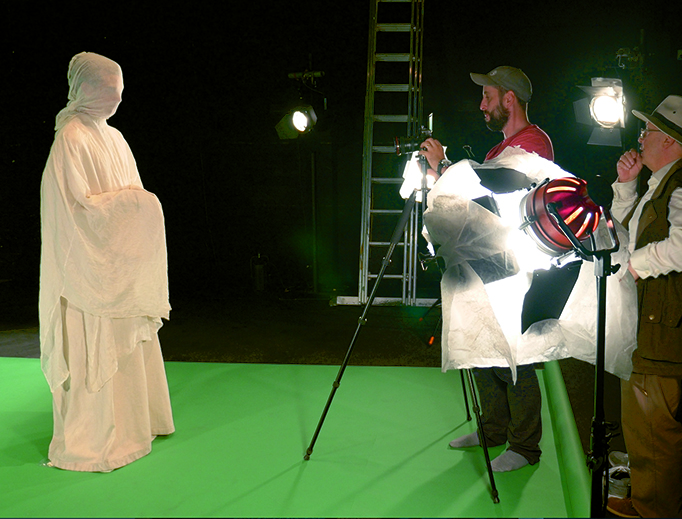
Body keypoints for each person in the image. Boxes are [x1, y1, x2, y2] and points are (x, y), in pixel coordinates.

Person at [39, 52, 175, 472]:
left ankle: (138, 423)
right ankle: (96, 439)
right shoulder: (70, 139)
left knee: (127, 339)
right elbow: (73, 211)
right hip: (88, 268)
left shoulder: (115, 138)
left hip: (117, 262)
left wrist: (137, 210)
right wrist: (134, 207)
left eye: (119, 90)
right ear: (85, 89)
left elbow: (132, 192)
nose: (116, 98)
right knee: (95, 341)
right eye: (108, 89)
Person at [419, 66, 559, 473]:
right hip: (490, 260)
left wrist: (447, 165)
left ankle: (525, 446)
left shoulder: (533, 143)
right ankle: (494, 429)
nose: (482, 104)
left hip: (514, 264)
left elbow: (498, 190)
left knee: (514, 354)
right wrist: (442, 176)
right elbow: (478, 199)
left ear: (508, 99)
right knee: (484, 345)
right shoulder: (501, 147)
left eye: (488, 96)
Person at [606, 95, 682, 518]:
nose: (640, 138)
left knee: (654, 430)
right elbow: (622, 234)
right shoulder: (663, 182)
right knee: (647, 429)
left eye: (647, 131)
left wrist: (636, 266)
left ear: (670, 140)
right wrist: (626, 186)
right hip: (649, 329)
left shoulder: (679, 183)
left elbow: (680, 247)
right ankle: (647, 499)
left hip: (661, 333)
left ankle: (654, 508)